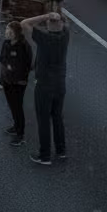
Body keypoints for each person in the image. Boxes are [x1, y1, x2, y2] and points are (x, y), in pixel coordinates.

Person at [21, 11, 69, 165]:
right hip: (60, 84)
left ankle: (45, 155)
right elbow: (67, 23)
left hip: (44, 85)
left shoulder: (45, 38)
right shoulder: (65, 36)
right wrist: (58, 18)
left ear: (49, 24)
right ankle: (61, 150)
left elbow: (24, 23)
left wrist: (45, 15)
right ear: (61, 24)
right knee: (57, 117)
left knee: (43, 120)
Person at [0, 21, 32, 146]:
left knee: (17, 107)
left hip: (18, 82)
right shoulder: (6, 43)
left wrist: (14, 68)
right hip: (7, 80)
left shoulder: (23, 46)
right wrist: (7, 66)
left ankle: (20, 134)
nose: (7, 33)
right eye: (7, 30)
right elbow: (2, 58)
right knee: (12, 105)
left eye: (10, 31)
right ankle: (15, 125)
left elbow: (28, 65)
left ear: (16, 34)